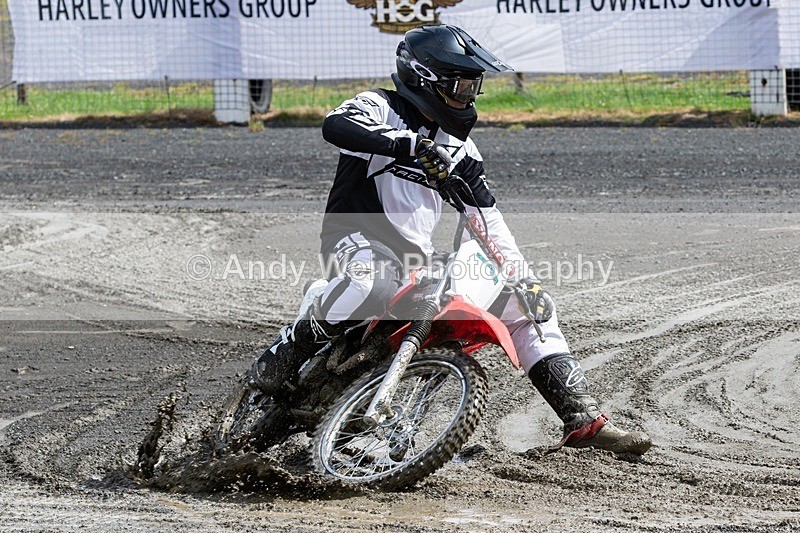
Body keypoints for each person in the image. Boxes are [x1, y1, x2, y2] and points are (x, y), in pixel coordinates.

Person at [253, 25, 651, 455]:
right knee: (371, 283)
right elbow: (336, 126)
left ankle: (583, 420)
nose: (469, 99)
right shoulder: (380, 106)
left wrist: (522, 279)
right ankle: (289, 347)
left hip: (412, 258)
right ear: (424, 78)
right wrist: (409, 145)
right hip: (354, 239)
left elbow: (487, 220)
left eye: (473, 87)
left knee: (533, 306)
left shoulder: (463, 149)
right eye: (460, 86)